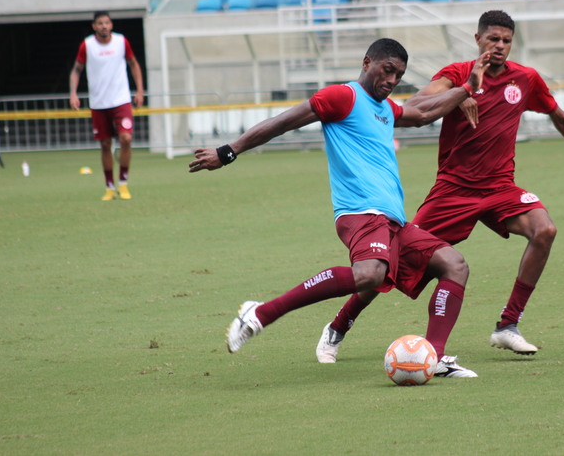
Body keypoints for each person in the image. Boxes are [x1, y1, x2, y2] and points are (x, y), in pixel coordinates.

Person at [316, 10, 564, 365]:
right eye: (493, 39)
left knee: (545, 230)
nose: (499, 46)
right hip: (452, 192)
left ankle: (508, 325)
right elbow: (414, 106)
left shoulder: (525, 80)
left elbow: (558, 115)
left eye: (506, 41)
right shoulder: (455, 75)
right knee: (389, 261)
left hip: (500, 188)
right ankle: (339, 326)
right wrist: (459, 94)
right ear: (478, 39)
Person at [189, 39, 491, 378]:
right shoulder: (343, 97)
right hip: (360, 212)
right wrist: (229, 150)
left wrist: (467, 88)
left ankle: (434, 357)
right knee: (370, 274)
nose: (391, 80)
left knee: (454, 264)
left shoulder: (386, 109)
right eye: (386, 70)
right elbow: (285, 120)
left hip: (393, 220)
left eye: (398, 75)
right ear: (367, 63)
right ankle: (260, 314)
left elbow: (422, 114)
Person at [69, 11, 145, 200]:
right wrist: (73, 93)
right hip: (99, 102)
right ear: (94, 26)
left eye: (107, 22)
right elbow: (76, 70)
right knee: (105, 144)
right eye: (100, 23)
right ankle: (109, 187)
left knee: (126, 138)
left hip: (121, 100)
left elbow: (134, 64)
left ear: (111, 25)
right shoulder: (87, 45)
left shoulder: (121, 42)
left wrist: (140, 91)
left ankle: (124, 182)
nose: (104, 26)